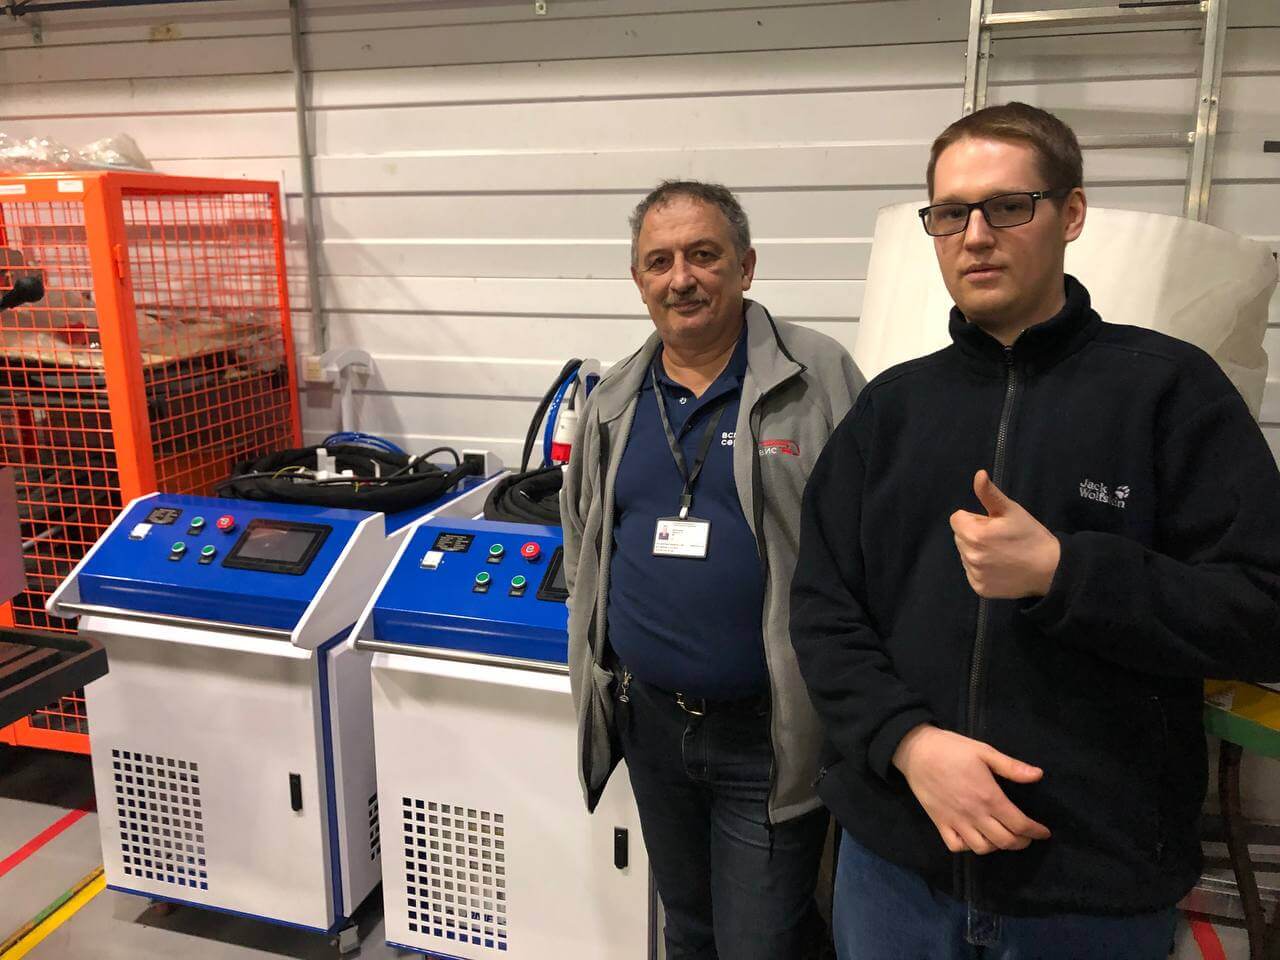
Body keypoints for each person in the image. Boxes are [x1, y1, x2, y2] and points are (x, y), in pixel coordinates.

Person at [790, 102, 1280, 959]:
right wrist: (907, 742)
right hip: (898, 872)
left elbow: (1263, 612)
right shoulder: (890, 411)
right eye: (951, 214)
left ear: (1071, 213)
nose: (975, 236)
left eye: (1007, 206)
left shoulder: (1169, 393)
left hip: (1088, 892)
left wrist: (1067, 574)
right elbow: (824, 612)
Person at [561, 179, 864, 959]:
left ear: (745, 265)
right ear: (638, 280)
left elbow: (870, 543)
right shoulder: (614, 400)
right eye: (659, 262)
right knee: (689, 929)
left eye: (703, 255)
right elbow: (584, 537)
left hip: (769, 733)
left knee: (762, 941)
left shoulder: (817, 378)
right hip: (652, 724)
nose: (681, 278)